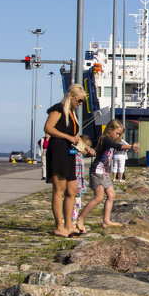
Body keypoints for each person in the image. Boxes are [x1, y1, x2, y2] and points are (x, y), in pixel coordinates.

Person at [76, 119, 138, 232]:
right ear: (110, 130)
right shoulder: (105, 139)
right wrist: (130, 147)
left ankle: (106, 220)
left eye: (120, 134)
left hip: (104, 172)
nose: (118, 136)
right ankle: (80, 218)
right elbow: (118, 146)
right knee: (98, 198)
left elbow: (117, 145)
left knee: (111, 194)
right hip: (97, 171)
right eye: (117, 133)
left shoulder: (110, 140)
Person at [44, 83, 87, 237]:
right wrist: (68, 137)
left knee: (72, 190)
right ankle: (59, 226)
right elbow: (48, 128)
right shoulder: (58, 109)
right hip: (58, 151)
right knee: (59, 190)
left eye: (82, 101)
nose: (80, 104)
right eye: (79, 100)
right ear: (71, 96)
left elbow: (73, 135)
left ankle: (69, 225)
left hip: (69, 152)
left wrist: (83, 146)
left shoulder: (72, 112)